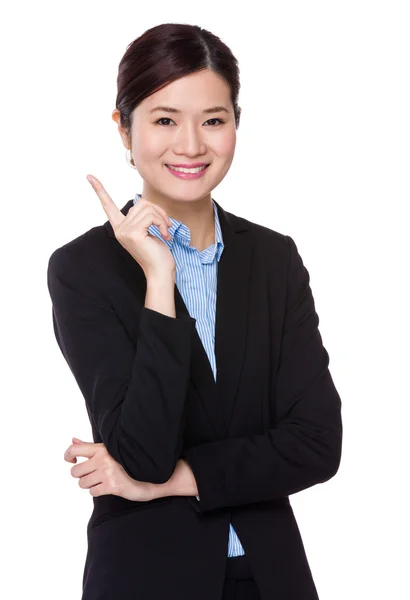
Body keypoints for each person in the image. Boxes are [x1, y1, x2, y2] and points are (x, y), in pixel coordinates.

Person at [47, 22, 343, 600]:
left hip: (272, 576)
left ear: (236, 123)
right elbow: (143, 454)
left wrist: (173, 482)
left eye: (213, 119)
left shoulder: (273, 259)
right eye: (163, 120)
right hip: (147, 577)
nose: (190, 145)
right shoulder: (83, 269)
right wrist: (159, 279)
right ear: (123, 129)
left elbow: (316, 443)